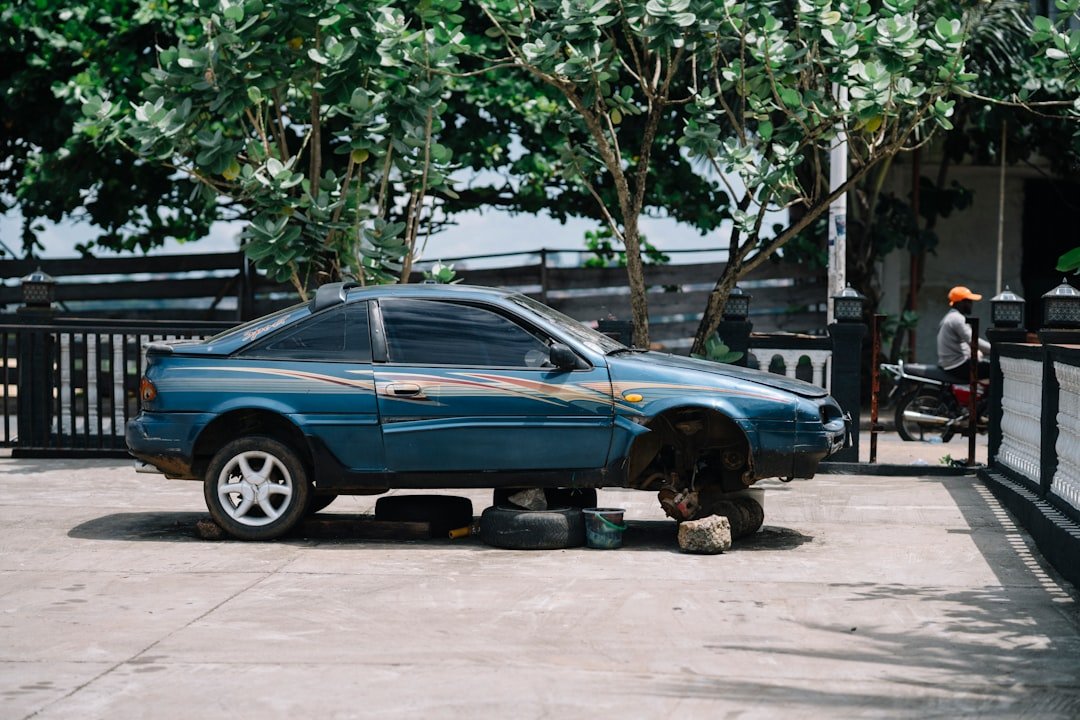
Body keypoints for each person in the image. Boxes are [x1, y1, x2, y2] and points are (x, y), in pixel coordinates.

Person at [937, 286, 991, 382]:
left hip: (950, 363)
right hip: (957, 364)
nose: (971, 304)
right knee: (995, 369)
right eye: (969, 301)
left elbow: (967, 343)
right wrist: (995, 349)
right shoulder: (957, 319)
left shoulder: (950, 317)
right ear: (961, 302)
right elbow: (973, 341)